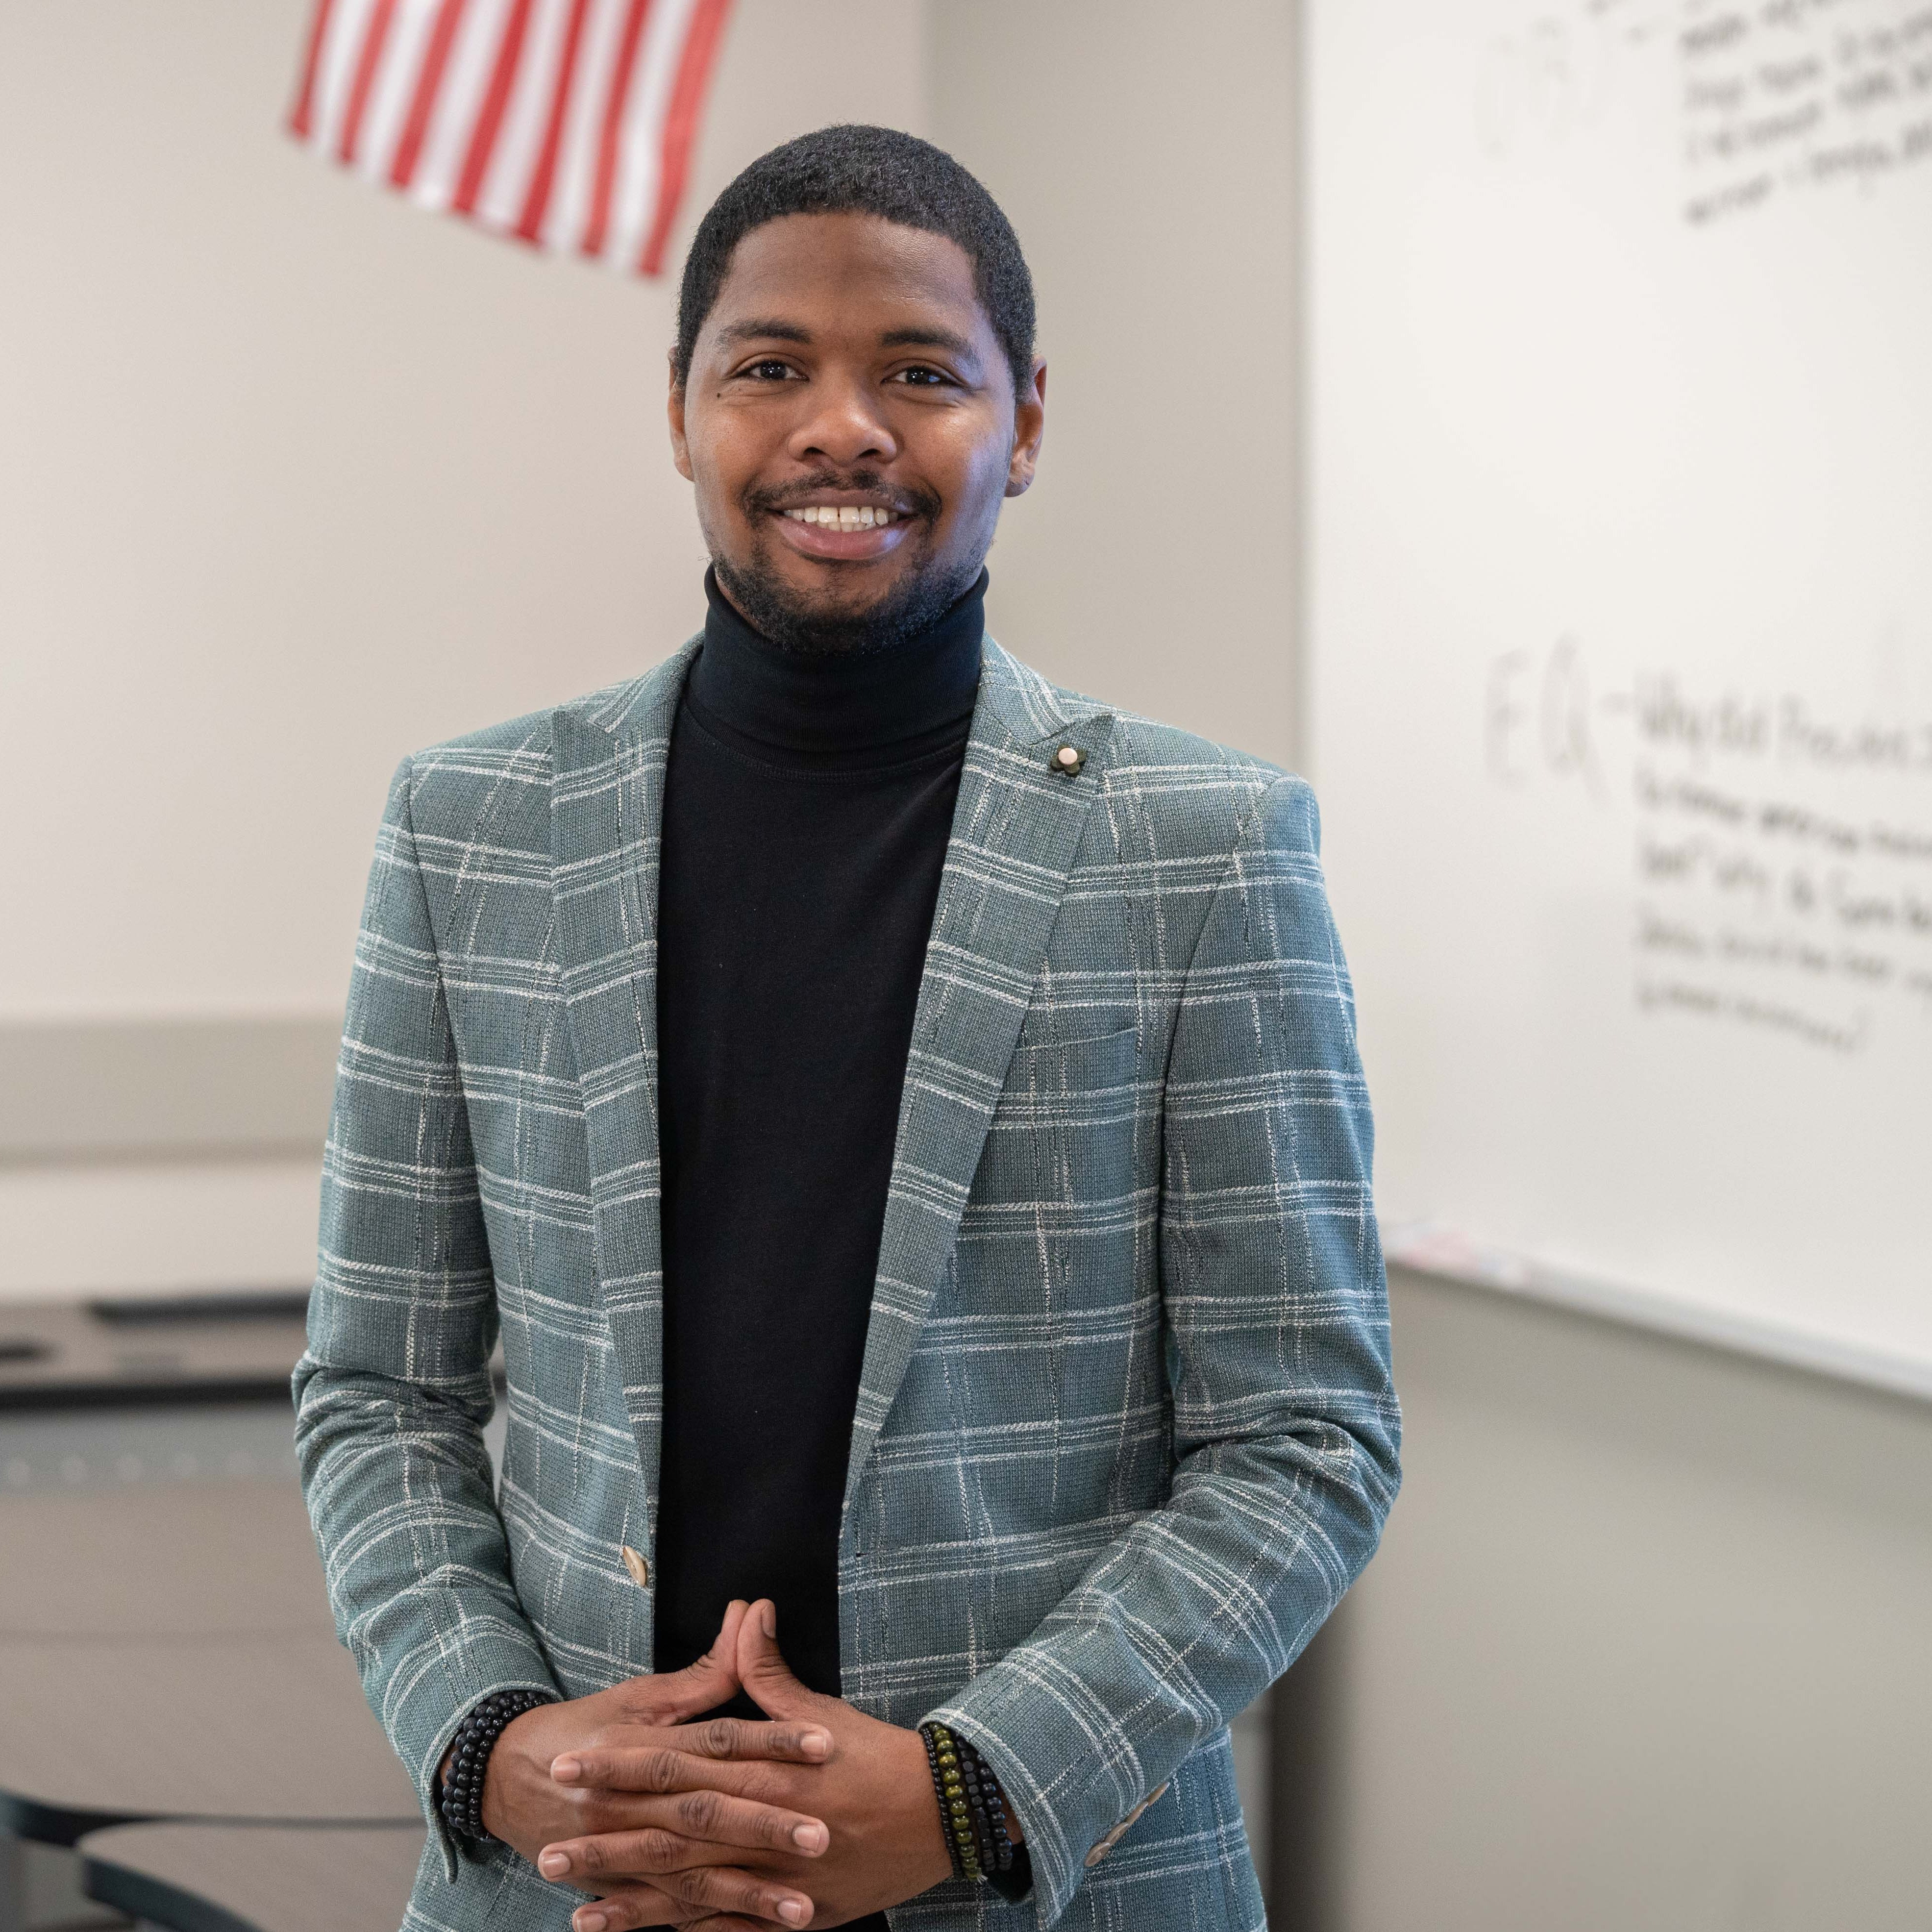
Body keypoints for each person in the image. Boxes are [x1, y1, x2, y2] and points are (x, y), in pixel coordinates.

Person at [296, 124, 1400, 1932]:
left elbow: (1305, 1437)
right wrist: (491, 1744)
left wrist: (973, 1792)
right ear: (680, 411)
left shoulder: (1206, 850)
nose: (841, 428)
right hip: (578, 1875)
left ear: (1024, 423)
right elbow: (381, 1390)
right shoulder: (467, 827)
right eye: (769, 367)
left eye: (918, 373)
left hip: (1041, 1882)